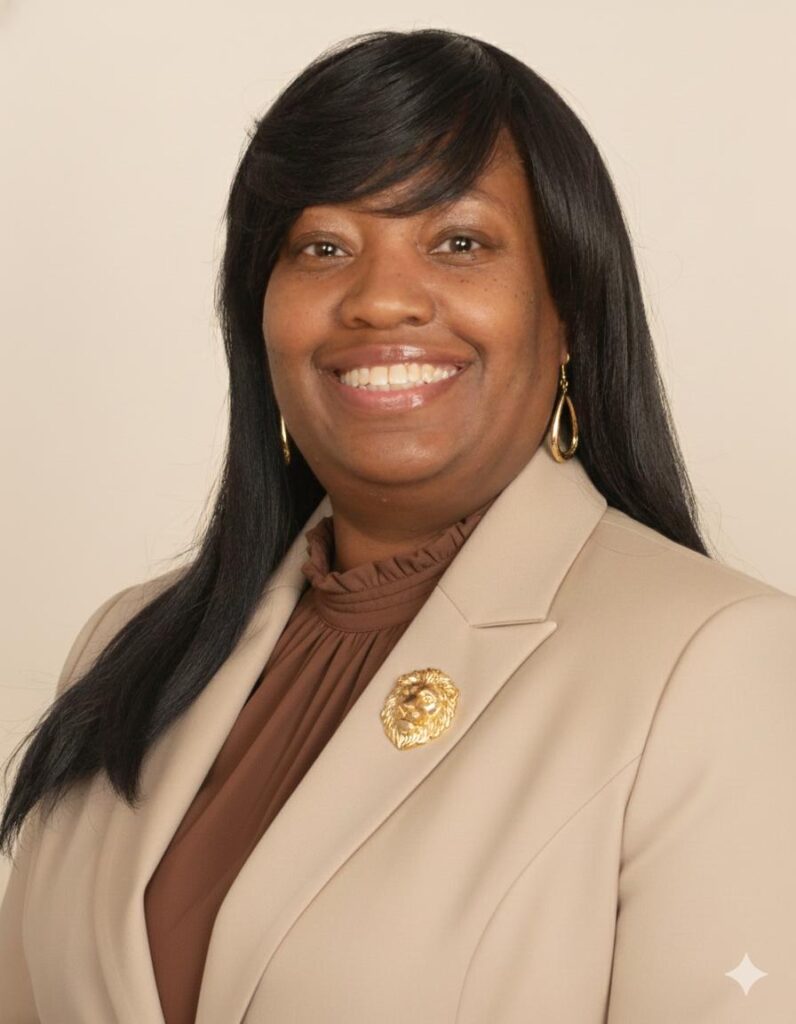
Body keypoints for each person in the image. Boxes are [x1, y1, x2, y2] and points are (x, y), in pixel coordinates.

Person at [1, 27, 794, 1024]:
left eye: (459, 242)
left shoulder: (717, 663)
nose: (379, 300)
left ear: (568, 312)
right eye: (322, 247)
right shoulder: (126, 649)